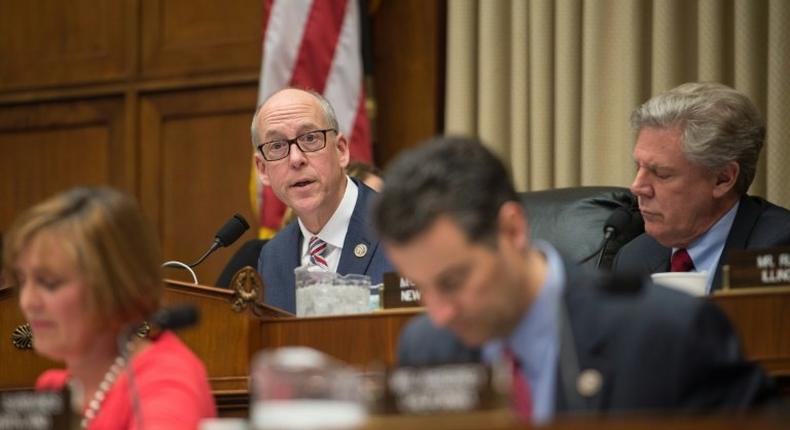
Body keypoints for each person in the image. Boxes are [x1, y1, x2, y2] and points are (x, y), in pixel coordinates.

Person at [372, 136, 770, 424]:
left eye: (454, 281)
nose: (439, 313)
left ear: (511, 231)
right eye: (421, 287)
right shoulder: (427, 346)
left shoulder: (667, 332)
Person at [2, 187, 216, 429]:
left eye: (50, 283)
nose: (27, 301)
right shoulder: (55, 391)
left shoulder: (165, 382)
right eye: (22, 281)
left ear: (118, 285)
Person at [612, 82, 790, 293]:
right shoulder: (634, 257)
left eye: (661, 173)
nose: (637, 187)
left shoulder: (778, 251)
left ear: (723, 179)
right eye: (638, 167)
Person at [251, 88, 393, 313]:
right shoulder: (273, 257)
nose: (296, 159)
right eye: (277, 146)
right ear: (263, 169)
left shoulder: (401, 227)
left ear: (341, 151)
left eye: (310, 138)